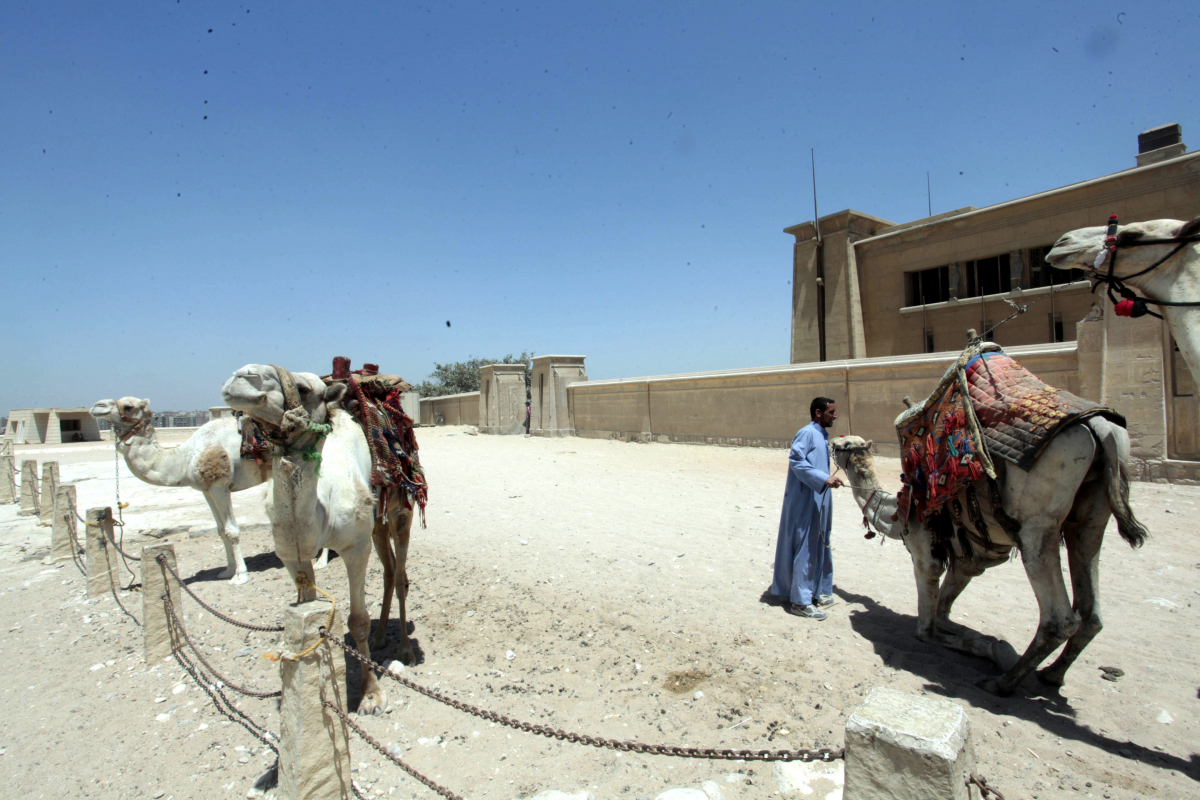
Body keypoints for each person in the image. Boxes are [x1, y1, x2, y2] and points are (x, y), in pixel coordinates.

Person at [770, 396, 842, 620]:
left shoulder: (821, 435)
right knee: (806, 546)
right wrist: (822, 478)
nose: (835, 416)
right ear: (818, 413)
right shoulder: (807, 433)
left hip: (820, 498)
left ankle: (817, 591)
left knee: (821, 541)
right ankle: (800, 602)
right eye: (831, 412)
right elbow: (797, 460)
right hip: (806, 499)